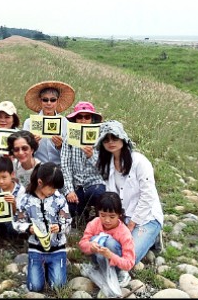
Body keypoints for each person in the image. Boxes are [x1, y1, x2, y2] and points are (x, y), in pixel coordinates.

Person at [94, 120, 164, 263]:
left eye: (114, 138)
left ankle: (152, 236)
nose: (110, 142)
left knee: (128, 258)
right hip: (123, 216)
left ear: (123, 139)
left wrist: (132, 224)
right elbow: (111, 197)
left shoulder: (140, 162)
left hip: (146, 217)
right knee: (99, 248)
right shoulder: (107, 164)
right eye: (106, 140)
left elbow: (148, 196)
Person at [13, 162, 72, 292]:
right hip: (36, 250)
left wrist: (60, 226)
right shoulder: (26, 199)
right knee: (34, 287)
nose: (54, 191)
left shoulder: (59, 199)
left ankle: (54, 267)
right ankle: (40, 268)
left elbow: (68, 220)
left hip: (57, 249)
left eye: (56, 188)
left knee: (58, 287)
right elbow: (17, 221)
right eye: (51, 188)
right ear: (40, 183)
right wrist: (28, 228)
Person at [61, 101, 106, 227]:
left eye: (87, 117)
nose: (83, 120)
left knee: (98, 194)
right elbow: (65, 166)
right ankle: (82, 213)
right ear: (75, 120)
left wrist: (92, 155)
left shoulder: (101, 138)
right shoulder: (69, 138)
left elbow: (105, 168)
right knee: (72, 208)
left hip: (95, 183)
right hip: (77, 185)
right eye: (79, 117)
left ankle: (99, 219)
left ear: (92, 120)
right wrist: (69, 190)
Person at [78, 192, 136, 288]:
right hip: (99, 259)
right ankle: (98, 266)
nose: (107, 220)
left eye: (112, 216)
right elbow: (82, 244)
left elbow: (129, 263)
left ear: (119, 215)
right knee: (93, 239)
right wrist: (91, 246)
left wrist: (111, 256)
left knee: (109, 242)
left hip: (116, 262)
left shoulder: (124, 233)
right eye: (103, 215)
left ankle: (120, 273)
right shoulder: (94, 223)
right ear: (98, 212)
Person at [22, 81, 75, 165]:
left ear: (57, 101)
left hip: (59, 168)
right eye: (45, 100)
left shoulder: (65, 123)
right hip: (37, 166)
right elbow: (22, 148)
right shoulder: (29, 123)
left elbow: (72, 151)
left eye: (53, 100)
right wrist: (32, 144)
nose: (49, 103)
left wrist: (60, 146)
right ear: (40, 101)